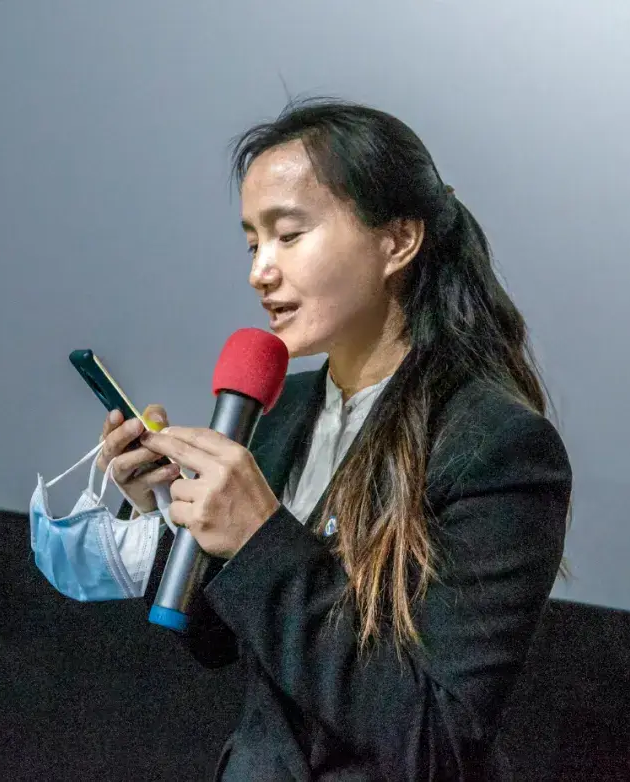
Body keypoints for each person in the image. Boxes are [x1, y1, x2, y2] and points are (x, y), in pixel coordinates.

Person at [96, 98, 571, 781]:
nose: (260, 271)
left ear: (398, 241)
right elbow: (218, 640)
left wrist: (259, 537)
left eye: (289, 235)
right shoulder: (282, 407)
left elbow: (435, 736)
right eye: (253, 244)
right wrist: (161, 510)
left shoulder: (497, 446)